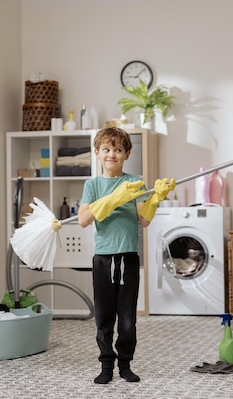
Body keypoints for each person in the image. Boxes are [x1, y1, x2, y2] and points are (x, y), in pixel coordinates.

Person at [78, 127, 175, 384]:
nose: (112, 155)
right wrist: (112, 199)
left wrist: (156, 198)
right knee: (104, 317)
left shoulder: (135, 183)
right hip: (103, 259)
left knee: (128, 318)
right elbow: (83, 220)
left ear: (127, 154)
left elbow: (143, 220)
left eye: (118, 150)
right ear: (97, 153)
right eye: (107, 150)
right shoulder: (93, 184)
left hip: (128, 257)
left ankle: (125, 364)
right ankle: (106, 365)